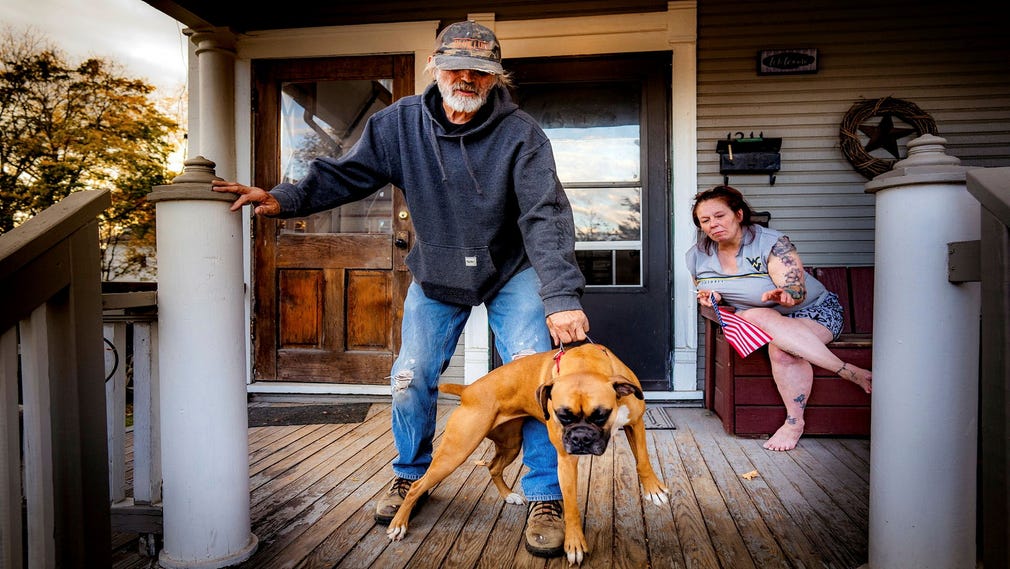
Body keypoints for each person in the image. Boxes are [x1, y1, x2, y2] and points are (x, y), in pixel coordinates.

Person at [212, 20, 589, 558]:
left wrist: (561, 297)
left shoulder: (521, 133)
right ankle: (412, 475)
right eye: (457, 68)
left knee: (534, 374)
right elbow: (345, 174)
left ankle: (545, 495)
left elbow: (545, 215)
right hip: (436, 270)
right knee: (409, 376)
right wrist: (285, 198)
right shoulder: (398, 125)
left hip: (513, 269)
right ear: (434, 67)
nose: (467, 79)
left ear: (496, 77)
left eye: (481, 72)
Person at [686, 185, 871, 452]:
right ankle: (843, 373)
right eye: (705, 220)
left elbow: (797, 289)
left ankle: (796, 422)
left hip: (813, 313)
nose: (713, 224)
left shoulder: (771, 243)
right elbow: (706, 291)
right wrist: (710, 297)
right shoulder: (697, 256)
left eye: (719, 216)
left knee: (778, 344)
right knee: (761, 321)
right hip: (758, 321)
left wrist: (786, 294)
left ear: (738, 214)